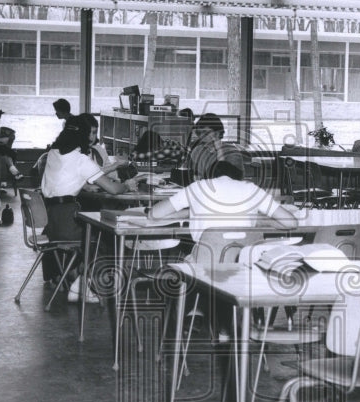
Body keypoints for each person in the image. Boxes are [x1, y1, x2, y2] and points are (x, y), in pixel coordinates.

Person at [40, 117, 137, 299]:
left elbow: (65, 177)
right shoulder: (80, 159)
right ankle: (89, 285)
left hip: (50, 221)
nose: (92, 138)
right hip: (67, 222)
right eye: (90, 133)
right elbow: (114, 189)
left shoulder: (53, 153)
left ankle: (77, 278)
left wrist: (82, 184)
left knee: (96, 227)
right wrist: (128, 185)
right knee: (106, 234)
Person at [147, 159, 298, 242]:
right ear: (237, 177)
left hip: (205, 262)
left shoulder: (198, 187)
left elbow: (154, 214)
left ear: (209, 176)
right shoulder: (251, 188)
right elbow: (291, 222)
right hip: (245, 262)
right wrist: (261, 220)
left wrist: (190, 213)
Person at [185, 113, 244, 180]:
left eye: (205, 132)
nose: (201, 136)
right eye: (199, 133)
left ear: (217, 133)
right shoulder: (197, 151)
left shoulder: (232, 152)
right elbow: (195, 176)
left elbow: (229, 179)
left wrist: (219, 151)